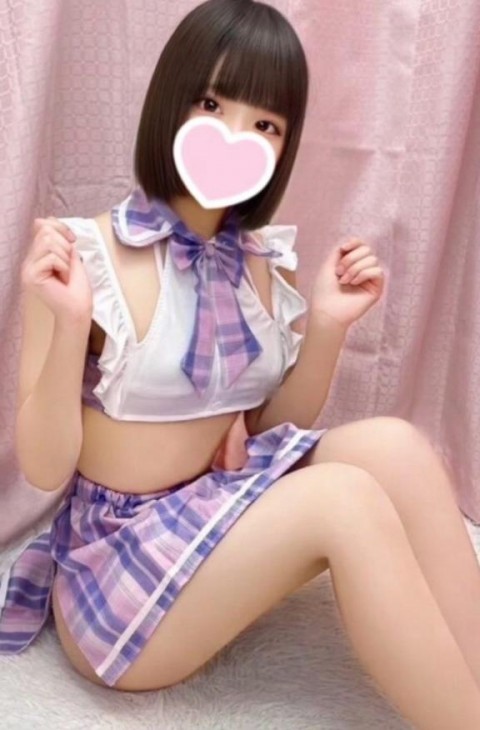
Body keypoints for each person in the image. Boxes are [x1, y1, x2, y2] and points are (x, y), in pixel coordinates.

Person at [2, 1, 480, 726]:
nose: (234, 134)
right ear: (171, 102)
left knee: (397, 446)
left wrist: (326, 325)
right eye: (211, 104)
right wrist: (69, 325)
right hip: (118, 566)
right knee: (342, 499)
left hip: (209, 512)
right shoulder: (82, 257)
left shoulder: (259, 261)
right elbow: (43, 468)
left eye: (266, 125)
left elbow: (266, 427)